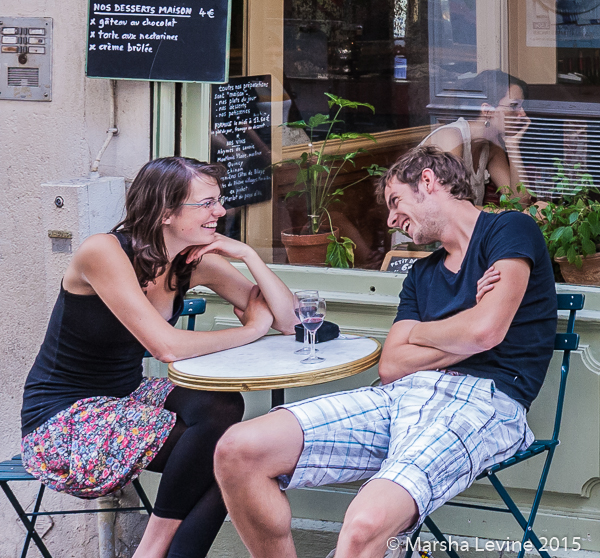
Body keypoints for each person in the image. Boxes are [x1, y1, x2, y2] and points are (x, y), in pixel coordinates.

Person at [213, 145, 557, 558]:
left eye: (395, 201)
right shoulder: (421, 274)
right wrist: (463, 328)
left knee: (364, 526)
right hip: (398, 396)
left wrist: (424, 334)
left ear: (428, 182)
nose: (391, 219)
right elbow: (393, 364)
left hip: (484, 402)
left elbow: (485, 332)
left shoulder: (509, 230)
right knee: (238, 451)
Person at [20, 157, 297, 558]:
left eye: (219, 201)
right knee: (229, 456)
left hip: (126, 396)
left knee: (227, 421)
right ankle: (152, 549)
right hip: (64, 420)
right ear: (166, 212)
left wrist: (250, 257)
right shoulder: (103, 252)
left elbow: (290, 321)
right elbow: (165, 347)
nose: (220, 212)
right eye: (206, 203)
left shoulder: (193, 261)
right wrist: (251, 330)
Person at [420, 70, 531, 206]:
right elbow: (454, 207)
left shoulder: (491, 148)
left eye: (522, 106)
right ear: (487, 111)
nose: (523, 114)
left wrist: (513, 146)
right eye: (514, 106)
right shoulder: (451, 138)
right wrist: (506, 215)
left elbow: (520, 202)